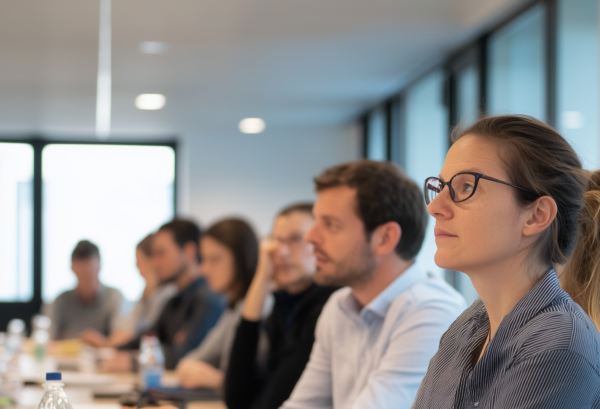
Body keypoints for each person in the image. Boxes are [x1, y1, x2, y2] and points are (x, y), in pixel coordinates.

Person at [413, 115, 600, 408]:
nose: (435, 206)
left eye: (465, 187)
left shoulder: (558, 346)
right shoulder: (466, 328)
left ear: (536, 215)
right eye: (442, 187)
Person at [281, 160, 466, 409]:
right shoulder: (339, 305)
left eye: (331, 225)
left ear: (385, 238)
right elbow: (303, 405)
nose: (310, 237)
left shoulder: (433, 311)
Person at [225, 203, 338, 409]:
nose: (282, 252)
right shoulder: (283, 304)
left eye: (296, 239)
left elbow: (272, 403)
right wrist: (261, 280)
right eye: (276, 240)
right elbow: (237, 399)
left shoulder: (330, 306)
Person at [117, 219, 226, 370]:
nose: (154, 263)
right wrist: (111, 353)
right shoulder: (174, 300)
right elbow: (146, 339)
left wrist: (133, 361)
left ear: (189, 251)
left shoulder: (208, 300)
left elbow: (181, 355)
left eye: (161, 253)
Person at [177, 218, 263, 390]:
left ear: (242, 258)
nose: (204, 269)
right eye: (204, 259)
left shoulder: (263, 309)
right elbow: (189, 361)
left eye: (214, 259)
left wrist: (220, 380)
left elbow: (261, 383)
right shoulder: (234, 308)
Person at [81, 234, 178, 347]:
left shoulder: (168, 294)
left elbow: (142, 334)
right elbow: (125, 330)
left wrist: (105, 343)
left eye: (139, 260)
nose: (136, 266)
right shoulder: (145, 294)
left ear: (151, 261)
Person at [50, 240, 124, 340]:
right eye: (82, 274)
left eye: (90, 273)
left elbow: (120, 337)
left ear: (99, 266)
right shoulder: (61, 300)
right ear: (72, 268)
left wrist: (100, 342)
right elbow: (49, 339)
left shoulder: (114, 297)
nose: (87, 279)